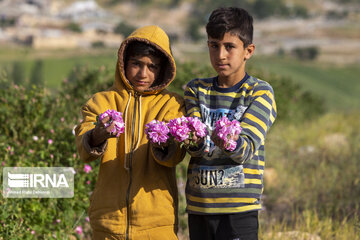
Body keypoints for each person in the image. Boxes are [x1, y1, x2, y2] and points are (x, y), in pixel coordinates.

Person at [75, 25, 185, 240]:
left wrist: (164, 143)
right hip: (108, 224)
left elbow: (176, 156)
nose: (143, 74)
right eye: (136, 64)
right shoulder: (101, 102)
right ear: (123, 63)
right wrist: (99, 133)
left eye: (152, 67)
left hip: (157, 225)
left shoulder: (171, 104)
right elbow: (84, 149)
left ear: (163, 70)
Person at [183, 7, 277, 240]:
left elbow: (245, 149)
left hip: (239, 210)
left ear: (248, 51)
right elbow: (194, 147)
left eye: (229, 47)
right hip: (200, 206)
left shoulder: (259, 92)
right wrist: (189, 139)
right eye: (214, 46)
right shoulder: (196, 90)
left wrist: (228, 142)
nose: (220, 55)